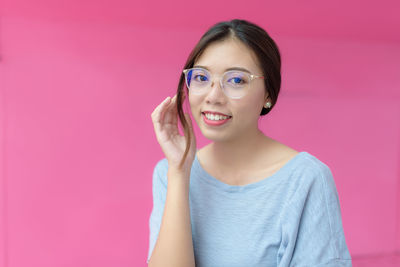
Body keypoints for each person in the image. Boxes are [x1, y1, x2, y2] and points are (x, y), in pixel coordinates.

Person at [148, 19, 352, 267]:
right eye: (201, 77)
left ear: (268, 93)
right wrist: (179, 172)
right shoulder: (169, 173)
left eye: (236, 80)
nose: (213, 96)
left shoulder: (305, 179)